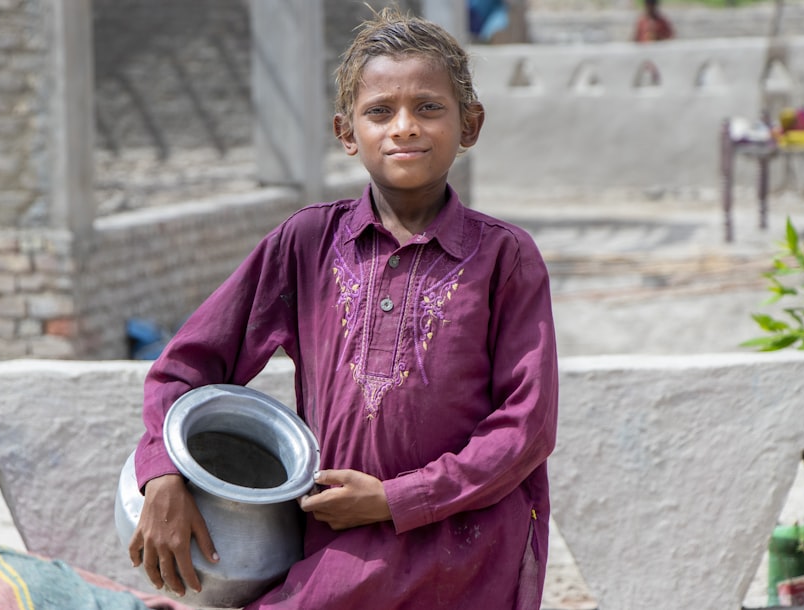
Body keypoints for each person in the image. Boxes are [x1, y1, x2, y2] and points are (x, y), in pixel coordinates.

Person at [127, 7, 558, 609]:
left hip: (466, 547)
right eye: (379, 111)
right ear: (346, 132)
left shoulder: (504, 258)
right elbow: (185, 366)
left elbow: (526, 427)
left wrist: (395, 499)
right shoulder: (306, 244)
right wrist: (165, 472)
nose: (404, 127)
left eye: (429, 107)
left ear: (471, 125)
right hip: (339, 542)